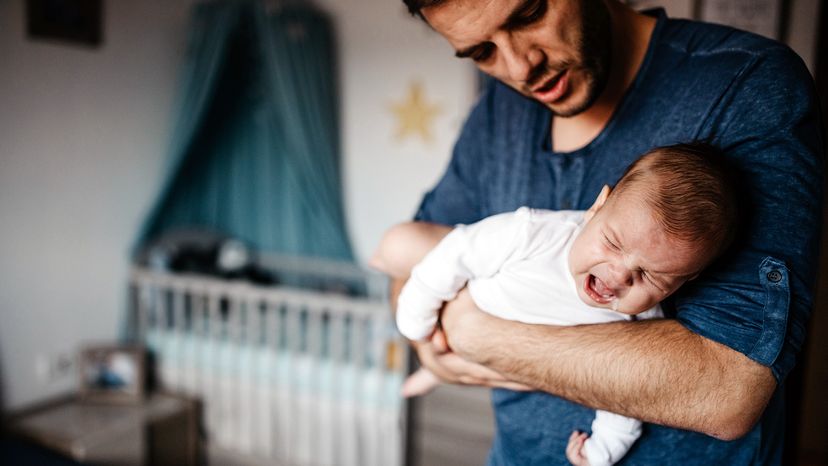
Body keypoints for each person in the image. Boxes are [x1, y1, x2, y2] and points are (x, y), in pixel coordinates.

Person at [392, 0, 823, 464]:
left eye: (528, 14)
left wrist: (471, 331)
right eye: (481, 52)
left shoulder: (747, 85)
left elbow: (727, 392)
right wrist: (430, 343)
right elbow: (412, 260)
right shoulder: (496, 114)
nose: (520, 66)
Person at [373, 144, 738, 466]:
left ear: (680, 283)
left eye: (650, 276)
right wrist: (415, 319)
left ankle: (435, 371)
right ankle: (434, 367)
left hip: (512, 361)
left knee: (476, 360)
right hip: (472, 296)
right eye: (613, 243)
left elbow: (625, 394)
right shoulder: (535, 233)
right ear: (597, 208)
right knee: (406, 247)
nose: (619, 275)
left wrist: (602, 451)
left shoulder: (639, 322)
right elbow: (457, 254)